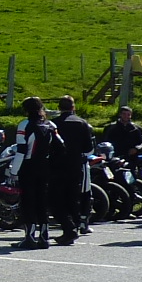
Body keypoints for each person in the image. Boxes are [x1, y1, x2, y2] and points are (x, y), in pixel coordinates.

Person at [13, 96, 59, 249]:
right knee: (42, 201)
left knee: (28, 201)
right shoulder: (50, 125)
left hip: (28, 166)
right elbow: (61, 145)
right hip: (45, 166)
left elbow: (21, 150)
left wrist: (14, 171)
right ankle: (44, 237)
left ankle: (30, 237)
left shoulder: (25, 124)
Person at [51, 96, 94, 242]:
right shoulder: (82, 123)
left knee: (56, 200)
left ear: (59, 107)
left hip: (57, 166)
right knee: (73, 198)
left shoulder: (54, 124)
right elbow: (89, 149)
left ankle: (69, 228)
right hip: (76, 166)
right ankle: (75, 226)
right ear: (73, 107)